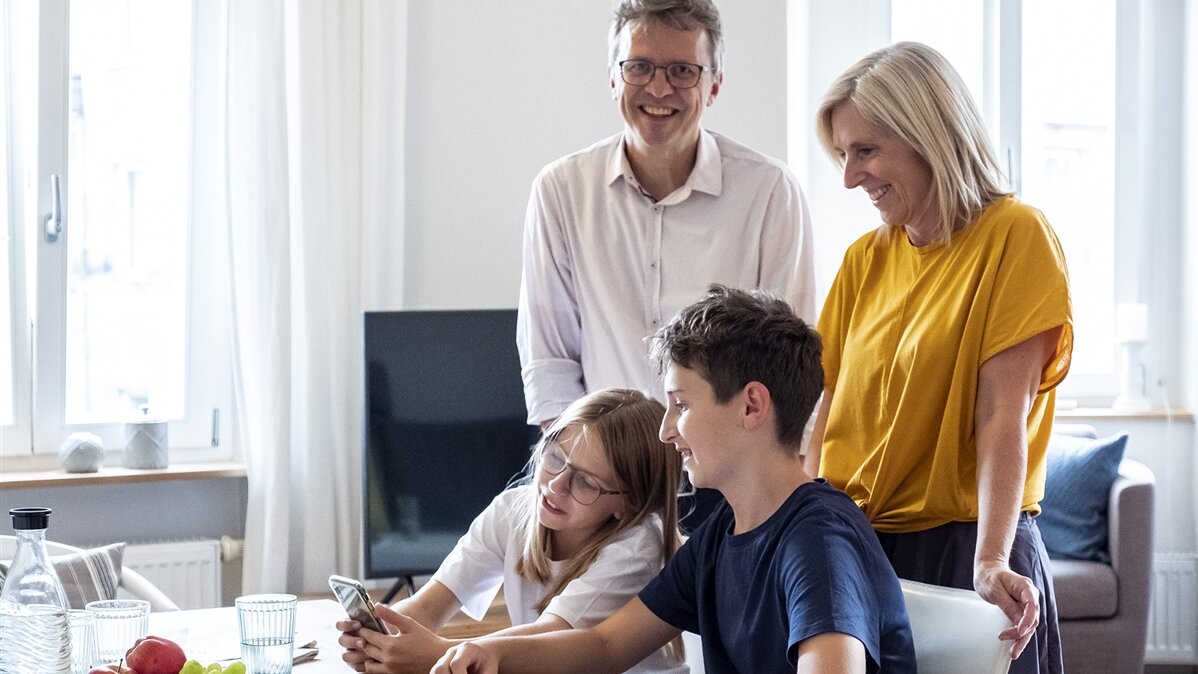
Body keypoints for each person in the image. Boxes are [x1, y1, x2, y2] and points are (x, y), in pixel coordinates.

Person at [432, 285, 915, 674]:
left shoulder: (818, 541)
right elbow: (604, 646)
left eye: (681, 405)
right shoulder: (721, 537)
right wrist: (494, 653)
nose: (666, 431)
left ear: (751, 405)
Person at [807, 41, 1073, 674]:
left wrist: (990, 561)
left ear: (930, 136)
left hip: (967, 552)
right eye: (844, 155)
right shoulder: (863, 261)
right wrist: (807, 528)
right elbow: (823, 414)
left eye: (866, 151)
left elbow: (1001, 416)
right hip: (862, 550)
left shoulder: (1015, 236)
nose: (850, 177)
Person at [516, 0, 817, 428]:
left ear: (714, 85)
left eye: (682, 70)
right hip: (608, 472)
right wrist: (591, 474)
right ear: (613, 78)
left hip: (733, 474)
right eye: (639, 67)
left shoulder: (770, 192)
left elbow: (792, 374)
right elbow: (551, 367)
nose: (658, 89)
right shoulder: (560, 191)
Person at [336, 388, 688, 674]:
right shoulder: (515, 509)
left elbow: (553, 639)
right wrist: (383, 637)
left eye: (585, 483)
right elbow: (429, 605)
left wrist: (443, 654)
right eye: (555, 459)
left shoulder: (637, 548)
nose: (555, 486)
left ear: (627, 504)